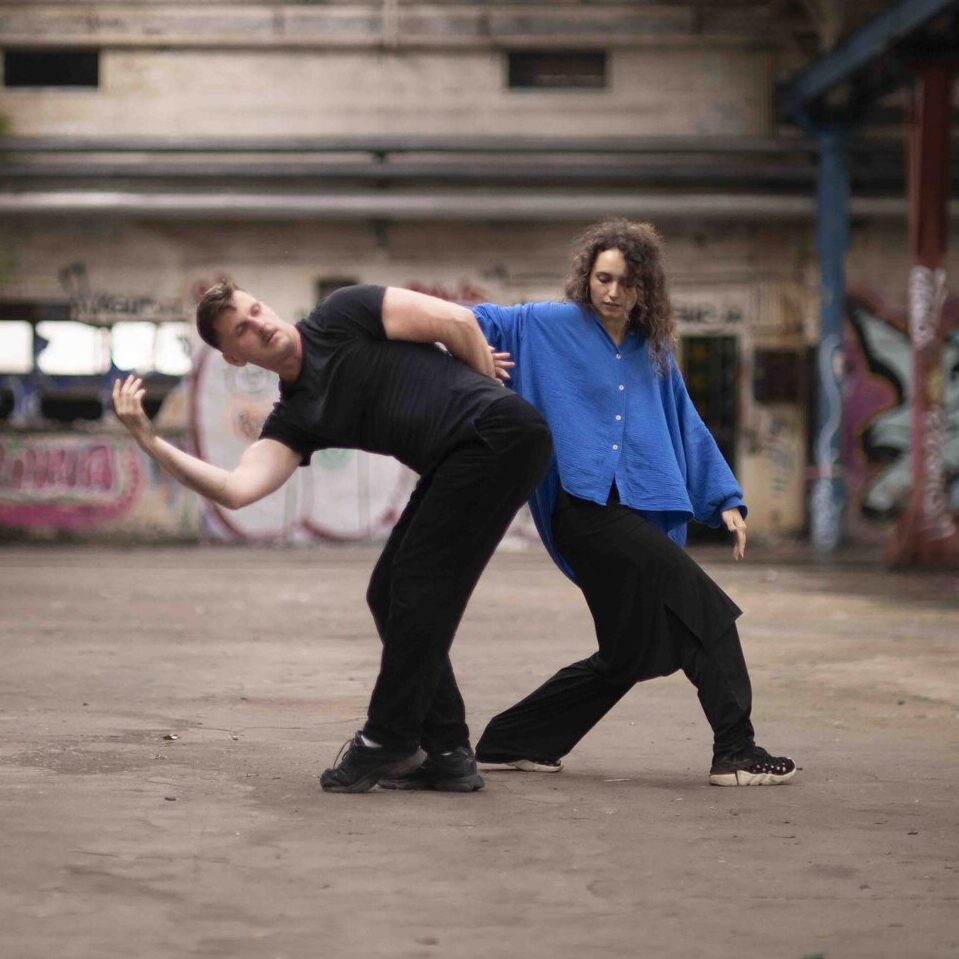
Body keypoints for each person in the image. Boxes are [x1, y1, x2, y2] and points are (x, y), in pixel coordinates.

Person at [112, 282, 552, 793]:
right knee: (388, 592)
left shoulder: (344, 313)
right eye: (243, 330)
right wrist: (149, 440)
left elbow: (455, 322)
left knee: (416, 584)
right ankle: (448, 751)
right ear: (235, 356)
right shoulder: (297, 417)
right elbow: (235, 490)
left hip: (497, 436)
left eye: (256, 310)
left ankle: (387, 739)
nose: (259, 324)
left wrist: (484, 393)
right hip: (460, 458)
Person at [467, 218, 795, 786]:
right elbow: (475, 319)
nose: (612, 292)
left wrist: (724, 497)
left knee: (628, 654)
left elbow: (683, 423)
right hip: (583, 509)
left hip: (635, 509)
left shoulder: (653, 349)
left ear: (646, 288)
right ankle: (736, 751)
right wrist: (474, 351)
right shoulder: (547, 325)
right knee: (707, 612)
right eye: (602, 278)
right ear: (586, 278)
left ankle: (511, 741)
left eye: (625, 282)